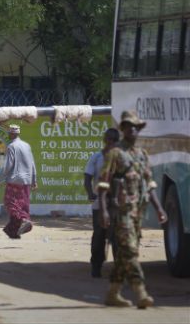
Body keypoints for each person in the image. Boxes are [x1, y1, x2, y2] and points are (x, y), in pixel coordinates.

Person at [97, 110, 167, 309]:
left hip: (138, 212)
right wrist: (103, 211)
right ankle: (141, 292)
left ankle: (112, 293)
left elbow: (150, 185)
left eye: (136, 127)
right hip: (122, 212)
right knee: (130, 251)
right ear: (123, 129)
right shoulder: (115, 153)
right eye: (129, 126)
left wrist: (160, 209)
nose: (133, 130)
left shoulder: (142, 155)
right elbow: (103, 185)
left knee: (124, 256)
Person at [83, 127, 120, 278]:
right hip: (99, 203)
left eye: (114, 140)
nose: (110, 142)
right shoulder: (96, 157)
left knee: (117, 237)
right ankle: (96, 265)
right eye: (108, 139)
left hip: (117, 204)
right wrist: (90, 193)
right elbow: (87, 177)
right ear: (105, 140)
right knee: (99, 235)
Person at [1, 124, 37, 239]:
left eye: (9, 133)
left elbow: (8, 165)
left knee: (10, 203)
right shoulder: (27, 146)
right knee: (22, 204)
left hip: (14, 179)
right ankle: (13, 233)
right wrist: (34, 180)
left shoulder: (11, 146)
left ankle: (24, 220)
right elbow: (32, 164)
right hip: (26, 180)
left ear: (12, 134)